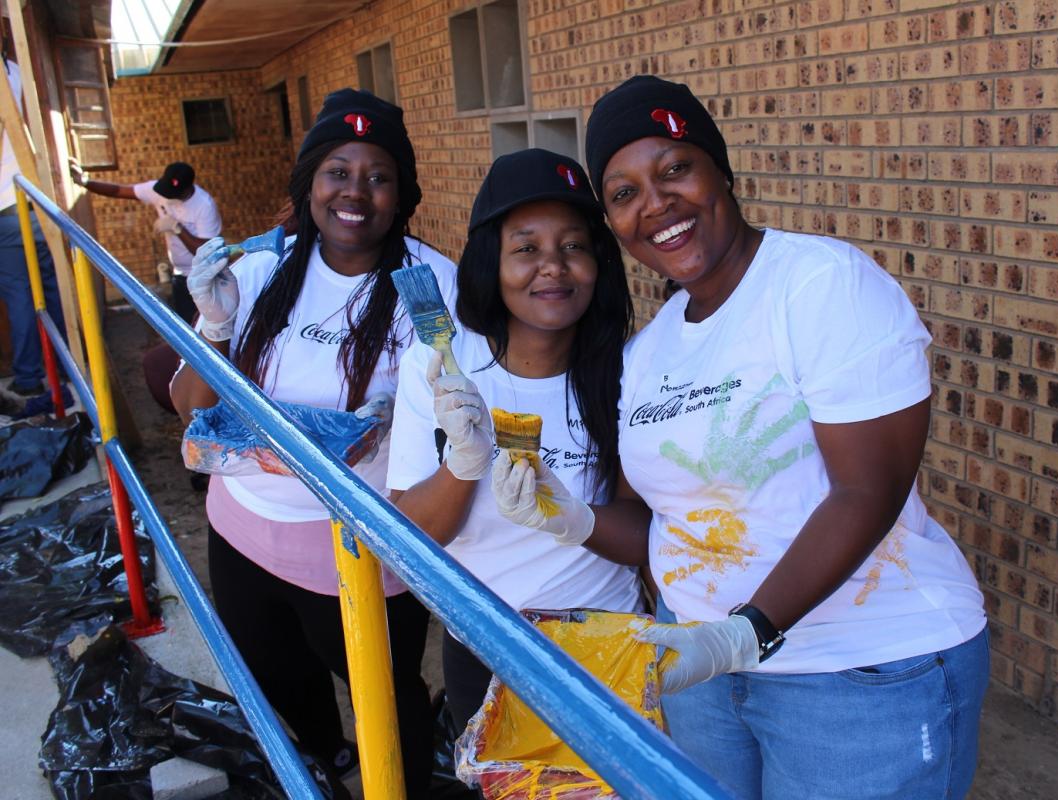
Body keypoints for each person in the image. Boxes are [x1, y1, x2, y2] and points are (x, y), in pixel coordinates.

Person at [497, 75, 990, 800]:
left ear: (720, 171)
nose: (656, 203)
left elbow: (867, 491)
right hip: (704, 671)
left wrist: (747, 631)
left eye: (674, 169)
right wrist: (568, 518)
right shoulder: (652, 351)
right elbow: (661, 527)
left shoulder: (821, 286)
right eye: (624, 193)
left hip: (858, 672)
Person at [169, 88, 451, 794]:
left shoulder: (426, 283)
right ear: (310, 183)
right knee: (279, 679)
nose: (356, 192)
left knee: (385, 697)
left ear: (402, 192)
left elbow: (455, 403)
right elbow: (187, 406)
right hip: (241, 528)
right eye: (337, 171)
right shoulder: (264, 267)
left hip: (356, 548)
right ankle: (325, 766)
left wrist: (421, 402)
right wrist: (212, 328)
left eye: (378, 176)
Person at [386, 148, 644, 739]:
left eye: (574, 246)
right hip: (485, 648)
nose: (552, 267)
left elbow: (643, 539)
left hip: (609, 647)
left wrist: (571, 518)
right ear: (489, 264)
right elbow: (408, 545)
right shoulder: (442, 365)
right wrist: (463, 463)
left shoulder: (630, 371)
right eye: (525, 248)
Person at [71, 159, 221, 321]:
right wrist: (85, 182)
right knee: (187, 325)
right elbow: (119, 191)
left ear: (186, 190)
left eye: (172, 194)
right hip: (180, 276)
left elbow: (206, 251)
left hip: (205, 277)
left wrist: (178, 228)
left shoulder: (204, 205)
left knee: (208, 327)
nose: (166, 196)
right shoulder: (160, 189)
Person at [0, 48, 66, 397]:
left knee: (21, 297)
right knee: (50, 292)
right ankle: (67, 367)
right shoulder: (16, 69)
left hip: (6, 207)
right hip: (35, 204)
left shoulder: (10, 72)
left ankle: (28, 378)